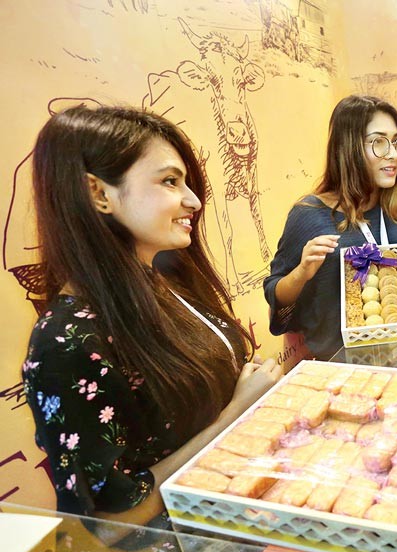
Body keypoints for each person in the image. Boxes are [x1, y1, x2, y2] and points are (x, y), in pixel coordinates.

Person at [22, 106, 281, 527]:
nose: (193, 201)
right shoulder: (65, 341)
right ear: (98, 194)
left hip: (238, 511)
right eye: (169, 181)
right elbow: (108, 525)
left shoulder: (163, 279)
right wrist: (237, 414)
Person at [265, 95, 397, 359]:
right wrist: (301, 274)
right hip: (339, 365)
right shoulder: (309, 215)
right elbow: (275, 295)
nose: (394, 154)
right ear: (348, 148)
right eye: (378, 142)